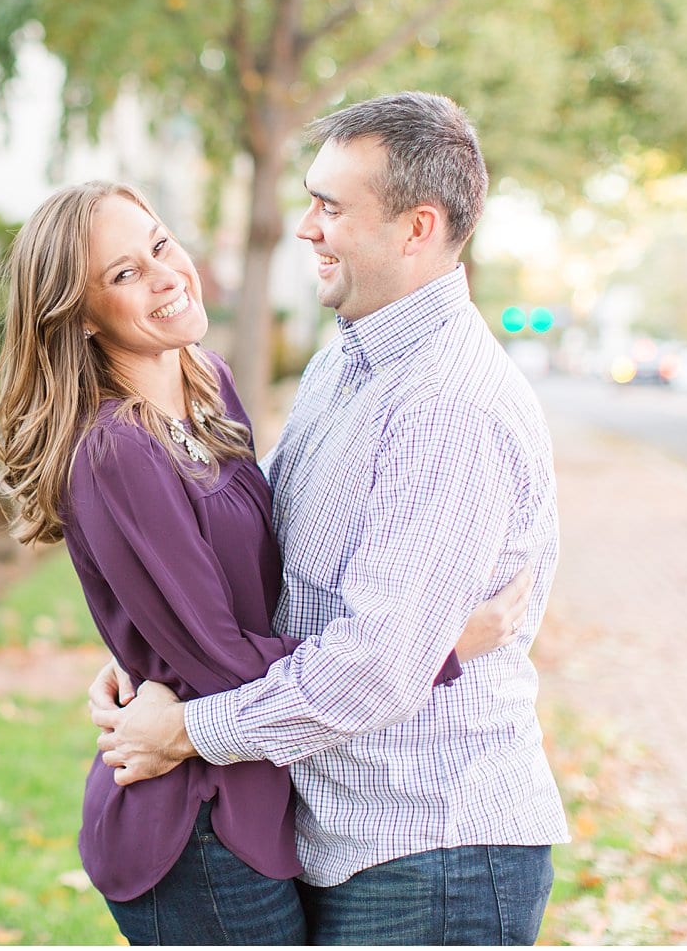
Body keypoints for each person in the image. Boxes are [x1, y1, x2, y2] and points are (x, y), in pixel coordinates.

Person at [0, 178, 531, 945]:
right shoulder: (118, 451)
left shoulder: (206, 383)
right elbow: (219, 661)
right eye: (122, 275)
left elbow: (264, 564)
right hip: (195, 825)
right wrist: (434, 643)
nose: (165, 274)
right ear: (77, 317)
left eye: (158, 245)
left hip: (261, 799)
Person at [89, 92, 571, 946]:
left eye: (331, 207)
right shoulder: (346, 361)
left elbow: (373, 672)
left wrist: (185, 730)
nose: (305, 226)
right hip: (349, 835)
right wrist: (145, 653)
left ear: (416, 228)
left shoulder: (444, 407)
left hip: (433, 851)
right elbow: (241, 545)